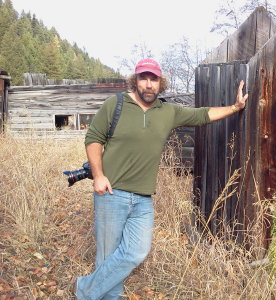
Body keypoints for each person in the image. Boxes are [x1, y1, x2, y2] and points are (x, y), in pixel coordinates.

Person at [75, 58, 248, 300]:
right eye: (143, 78)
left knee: (136, 252)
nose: (148, 84)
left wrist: (235, 108)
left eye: (153, 79)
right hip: (112, 193)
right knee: (108, 255)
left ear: (160, 83)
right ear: (135, 81)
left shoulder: (168, 111)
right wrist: (99, 175)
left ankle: (85, 290)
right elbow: (93, 138)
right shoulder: (115, 104)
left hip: (144, 198)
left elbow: (201, 115)